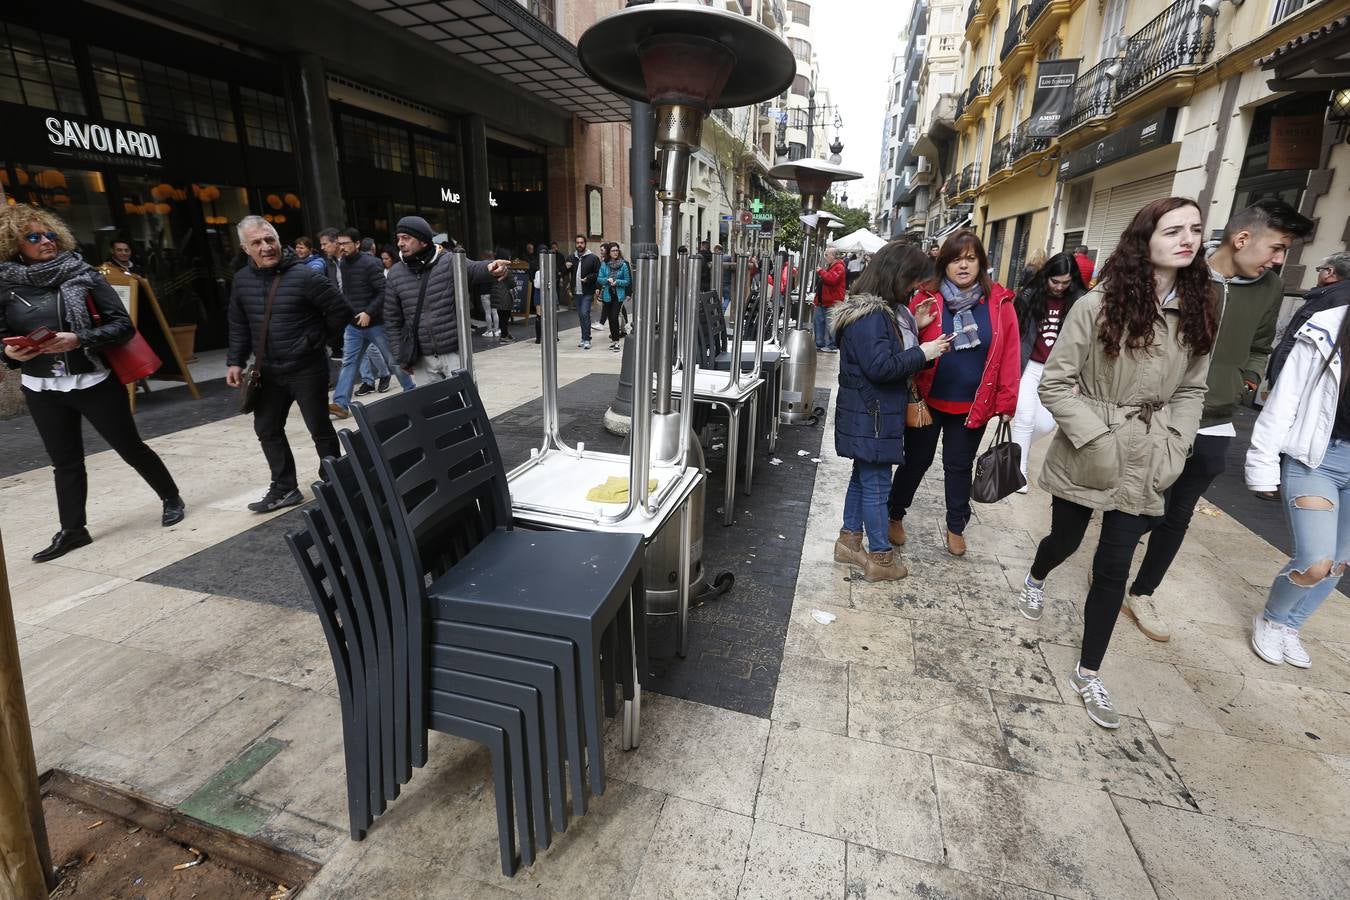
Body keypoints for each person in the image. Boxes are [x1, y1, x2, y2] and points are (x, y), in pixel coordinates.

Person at [1018, 198, 1215, 729]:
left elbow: (1193, 389)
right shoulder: (1097, 306)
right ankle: (1036, 576)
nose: (1187, 238)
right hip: (1092, 449)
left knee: (1113, 569)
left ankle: (1090, 671)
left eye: (1195, 229)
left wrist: (1176, 443)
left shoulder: (1199, 306)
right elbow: (1056, 384)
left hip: (1151, 455)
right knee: (1065, 541)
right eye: (1172, 229)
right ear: (1143, 239)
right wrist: (1096, 437)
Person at [1123, 198, 1313, 642]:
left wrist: (1247, 377)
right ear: (1242, 239)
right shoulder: (1182, 275)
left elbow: (1263, 343)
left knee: (1179, 513)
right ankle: (1112, 566)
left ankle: (1142, 592)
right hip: (1160, 412)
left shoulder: (1269, 288)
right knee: (1141, 502)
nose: (1278, 259)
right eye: (1277, 247)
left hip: (1217, 418)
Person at [0, 204, 185, 562]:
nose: (46, 242)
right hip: (42, 387)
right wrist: (10, 355)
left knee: (130, 446)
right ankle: (73, 530)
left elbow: (122, 325)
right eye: (34, 237)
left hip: (93, 379)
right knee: (65, 462)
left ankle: (170, 497)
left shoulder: (84, 275)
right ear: (14, 244)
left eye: (50, 234)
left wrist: (79, 339)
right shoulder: (5, 285)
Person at [888, 229, 1020, 556]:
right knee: (915, 461)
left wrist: (1007, 401)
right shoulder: (925, 298)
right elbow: (902, 344)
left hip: (972, 404)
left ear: (981, 264)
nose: (963, 266)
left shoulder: (999, 304)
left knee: (958, 466)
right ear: (943, 263)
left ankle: (955, 526)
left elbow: (1010, 355)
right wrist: (916, 327)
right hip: (927, 399)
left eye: (970, 259)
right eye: (956, 259)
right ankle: (894, 513)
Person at [831, 241, 951, 582]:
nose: (916, 287)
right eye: (913, 279)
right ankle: (880, 558)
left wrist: (917, 324)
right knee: (877, 484)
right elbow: (881, 367)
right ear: (896, 275)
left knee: (863, 477)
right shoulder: (872, 316)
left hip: (869, 412)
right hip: (874, 414)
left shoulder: (875, 311)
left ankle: (849, 542)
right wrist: (924, 352)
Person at [1245, 291, 1350, 669]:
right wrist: (1263, 465)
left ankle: (1292, 626)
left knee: (1339, 562)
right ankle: (1272, 618)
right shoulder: (1325, 328)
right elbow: (1284, 401)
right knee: (1316, 560)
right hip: (1316, 459)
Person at [227, 216, 353, 513]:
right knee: (267, 428)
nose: (266, 247)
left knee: (319, 426)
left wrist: (314, 340)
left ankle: (334, 481)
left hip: (306, 367)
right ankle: (284, 488)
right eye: (257, 242)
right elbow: (238, 323)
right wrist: (234, 360)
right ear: (246, 248)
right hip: (267, 370)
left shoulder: (305, 276)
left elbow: (341, 311)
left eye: (269, 239)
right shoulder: (242, 281)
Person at [385, 216, 509, 383]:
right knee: (431, 408)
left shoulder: (448, 261)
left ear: (423, 241)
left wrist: (491, 267)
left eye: (406, 238)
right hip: (422, 358)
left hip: (454, 354)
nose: (400, 243)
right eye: (399, 238)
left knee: (467, 404)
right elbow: (392, 318)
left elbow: (473, 268)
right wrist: (401, 355)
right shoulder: (395, 273)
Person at [1011, 252, 1087, 491]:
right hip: (1029, 366)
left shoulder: (1080, 302)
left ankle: (1018, 447)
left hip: (1058, 372)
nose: (1060, 287)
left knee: (1045, 424)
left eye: (1066, 283)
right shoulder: (1028, 296)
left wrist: (1078, 376)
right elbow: (1015, 333)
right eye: (1055, 282)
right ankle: (1018, 472)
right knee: (1024, 418)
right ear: (1046, 277)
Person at [329, 228, 414, 418]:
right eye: (339, 243)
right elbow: (347, 293)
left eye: (345, 243)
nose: (342, 247)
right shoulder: (342, 264)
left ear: (357, 244)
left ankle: (411, 391)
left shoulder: (371, 263)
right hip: (353, 326)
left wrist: (368, 312)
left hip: (377, 324)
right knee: (349, 363)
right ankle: (341, 404)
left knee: (393, 361)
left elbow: (383, 291)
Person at [1269, 251, 1350, 386]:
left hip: (1295, 380)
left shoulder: (1336, 300)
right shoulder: (1329, 296)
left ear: (1329, 272)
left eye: (1320, 270)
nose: (1318, 274)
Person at [566, 235, 600, 350]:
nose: (579, 245)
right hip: (576, 291)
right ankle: (583, 338)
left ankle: (587, 339)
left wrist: (588, 278)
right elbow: (563, 272)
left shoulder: (593, 258)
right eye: (577, 243)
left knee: (585, 313)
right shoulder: (571, 257)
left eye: (581, 242)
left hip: (587, 291)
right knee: (581, 316)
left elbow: (597, 274)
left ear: (585, 244)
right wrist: (566, 267)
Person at [598, 243, 632, 352]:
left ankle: (616, 342)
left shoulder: (624, 265)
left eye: (617, 250)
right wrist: (607, 280)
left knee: (614, 316)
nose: (615, 252)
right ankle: (614, 341)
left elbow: (627, 281)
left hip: (619, 295)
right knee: (611, 319)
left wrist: (617, 282)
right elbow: (599, 278)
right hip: (607, 295)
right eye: (613, 250)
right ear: (609, 252)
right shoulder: (604, 264)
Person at [814, 247, 847, 353]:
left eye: (826, 255)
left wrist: (821, 272)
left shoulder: (839, 267)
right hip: (823, 301)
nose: (825, 257)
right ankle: (820, 343)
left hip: (832, 302)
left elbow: (832, 279)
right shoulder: (831, 266)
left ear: (833, 256)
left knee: (830, 325)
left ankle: (831, 345)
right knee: (819, 322)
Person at [487, 247, 516, 343]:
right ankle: (504, 336)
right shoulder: (506, 269)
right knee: (505, 316)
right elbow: (512, 283)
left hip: (495, 294)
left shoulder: (493, 267)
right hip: (504, 295)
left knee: (501, 315)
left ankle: (505, 333)